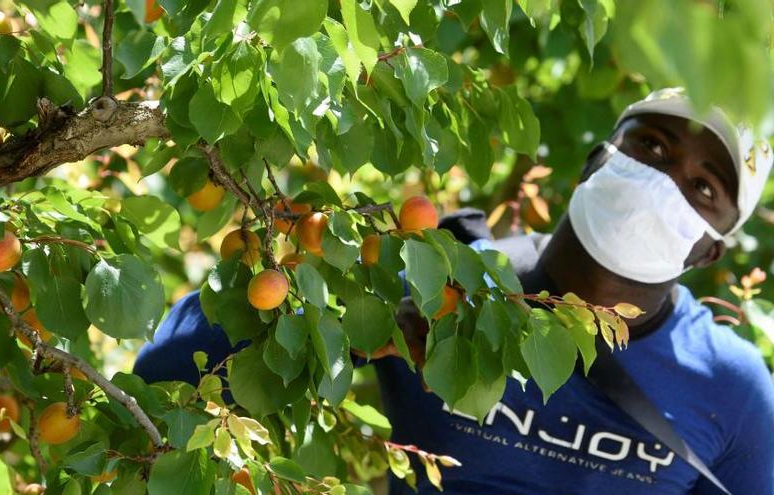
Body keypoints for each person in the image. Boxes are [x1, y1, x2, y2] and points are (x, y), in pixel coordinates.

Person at [133, 88, 774, 494]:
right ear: (598, 159)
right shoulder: (435, 273)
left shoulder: (733, 389)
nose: (663, 179)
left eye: (704, 186)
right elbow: (163, 375)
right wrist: (354, 313)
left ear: (710, 250)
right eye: (653, 145)